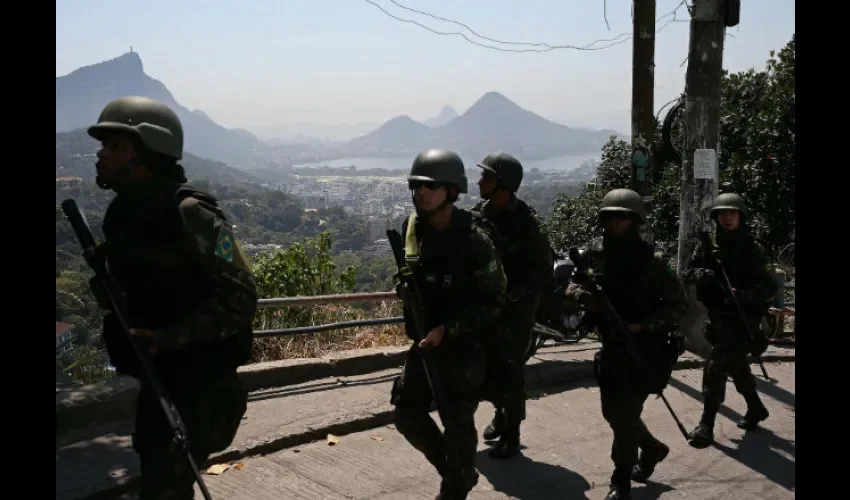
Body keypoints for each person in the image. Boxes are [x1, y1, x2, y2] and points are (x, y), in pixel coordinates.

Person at [87, 96, 258, 499]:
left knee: (168, 484)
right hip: (154, 374)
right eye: (103, 145)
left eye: (116, 146)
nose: (101, 156)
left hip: (198, 382)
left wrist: (171, 337)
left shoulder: (191, 213)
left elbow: (241, 299)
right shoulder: (123, 214)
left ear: (149, 153)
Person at [392, 148, 508, 500]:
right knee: (407, 414)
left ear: (452, 192)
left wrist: (450, 329)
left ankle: (454, 487)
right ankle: (457, 471)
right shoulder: (414, 231)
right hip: (426, 344)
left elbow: (495, 302)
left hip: (462, 348)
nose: (421, 194)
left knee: (458, 426)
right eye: (417, 187)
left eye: (431, 186)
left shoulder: (474, 240)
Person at [565, 188, 688, 500]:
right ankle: (652, 448)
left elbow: (677, 304)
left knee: (624, 416)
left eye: (620, 217)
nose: (612, 222)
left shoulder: (651, 260)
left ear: (634, 220)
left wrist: (643, 325)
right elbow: (570, 285)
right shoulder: (594, 251)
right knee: (614, 413)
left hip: (644, 347)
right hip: (611, 347)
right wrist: (584, 298)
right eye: (608, 216)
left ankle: (620, 480)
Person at [471, 152, 553, 459]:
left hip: (516, 309)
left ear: (501, 184)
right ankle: (501, 415)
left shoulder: (526, 223)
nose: (480, 181)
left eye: (486, 177)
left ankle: (512, 433)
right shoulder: (479, 212)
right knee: (488, 366)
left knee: (510, 369)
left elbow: (544, 270)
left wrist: (516, 294)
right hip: (488, 306)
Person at [681, 193, 775, 448]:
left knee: (715, 367)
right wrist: (708, 274)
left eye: (731, 213)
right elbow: (688, 272)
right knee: (735, 365)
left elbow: (771, 286)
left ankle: (706, 425)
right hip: (718, 319)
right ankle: (756, 408)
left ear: (740, 216)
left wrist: (744, 295)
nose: (726, 217)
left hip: (745, 320)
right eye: (722, 213)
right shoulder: (708, 246)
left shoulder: (754, 248)